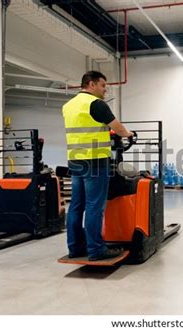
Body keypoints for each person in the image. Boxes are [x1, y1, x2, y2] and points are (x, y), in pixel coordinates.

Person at [62, 71, 133, 261]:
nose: (105, 90)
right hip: (95, 161)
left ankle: (75, 248)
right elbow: (118, 128)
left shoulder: (68, 106)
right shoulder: (96, 104)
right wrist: (128, 133)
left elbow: (86, 128)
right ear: (91, 84)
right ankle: (96, 250)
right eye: (103, 86)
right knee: (95, 207)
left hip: (75, 161)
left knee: (76, 206)